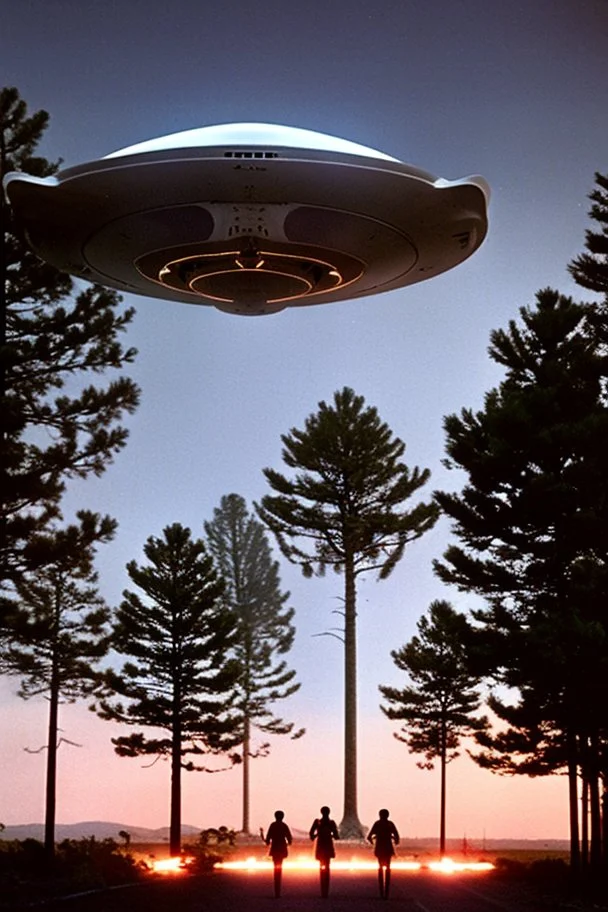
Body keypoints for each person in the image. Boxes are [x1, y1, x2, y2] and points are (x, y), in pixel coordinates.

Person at [367, 808, 400, 899]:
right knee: (388, 867)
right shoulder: (390, 824)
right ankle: (386, 891)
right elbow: (397, 836)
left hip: (380, 848)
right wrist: (395, 840)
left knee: (380, 867)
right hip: (388, 848)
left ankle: (382, 890)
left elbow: (369, 836)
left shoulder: (377, 824)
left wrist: (373, 842)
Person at [309, 806, 339, 898]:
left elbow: (311, 833)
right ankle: (326, 890)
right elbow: (336, 835)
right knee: (327, 866)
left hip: (320, 846)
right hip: (328, 846)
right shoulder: (331, 823)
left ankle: (323, 890)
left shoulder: (317, 822)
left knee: (321, 865)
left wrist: (316, 835)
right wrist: (332, 835)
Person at [264, 810, 292, 897]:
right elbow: (289, 838)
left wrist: (267, 840)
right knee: (280, 866)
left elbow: (268, 838)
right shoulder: (284, 826)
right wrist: (288, 843)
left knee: (275, 866)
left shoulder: (273, 825)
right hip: (282, 849)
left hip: (275, 849)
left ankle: (276, 889)